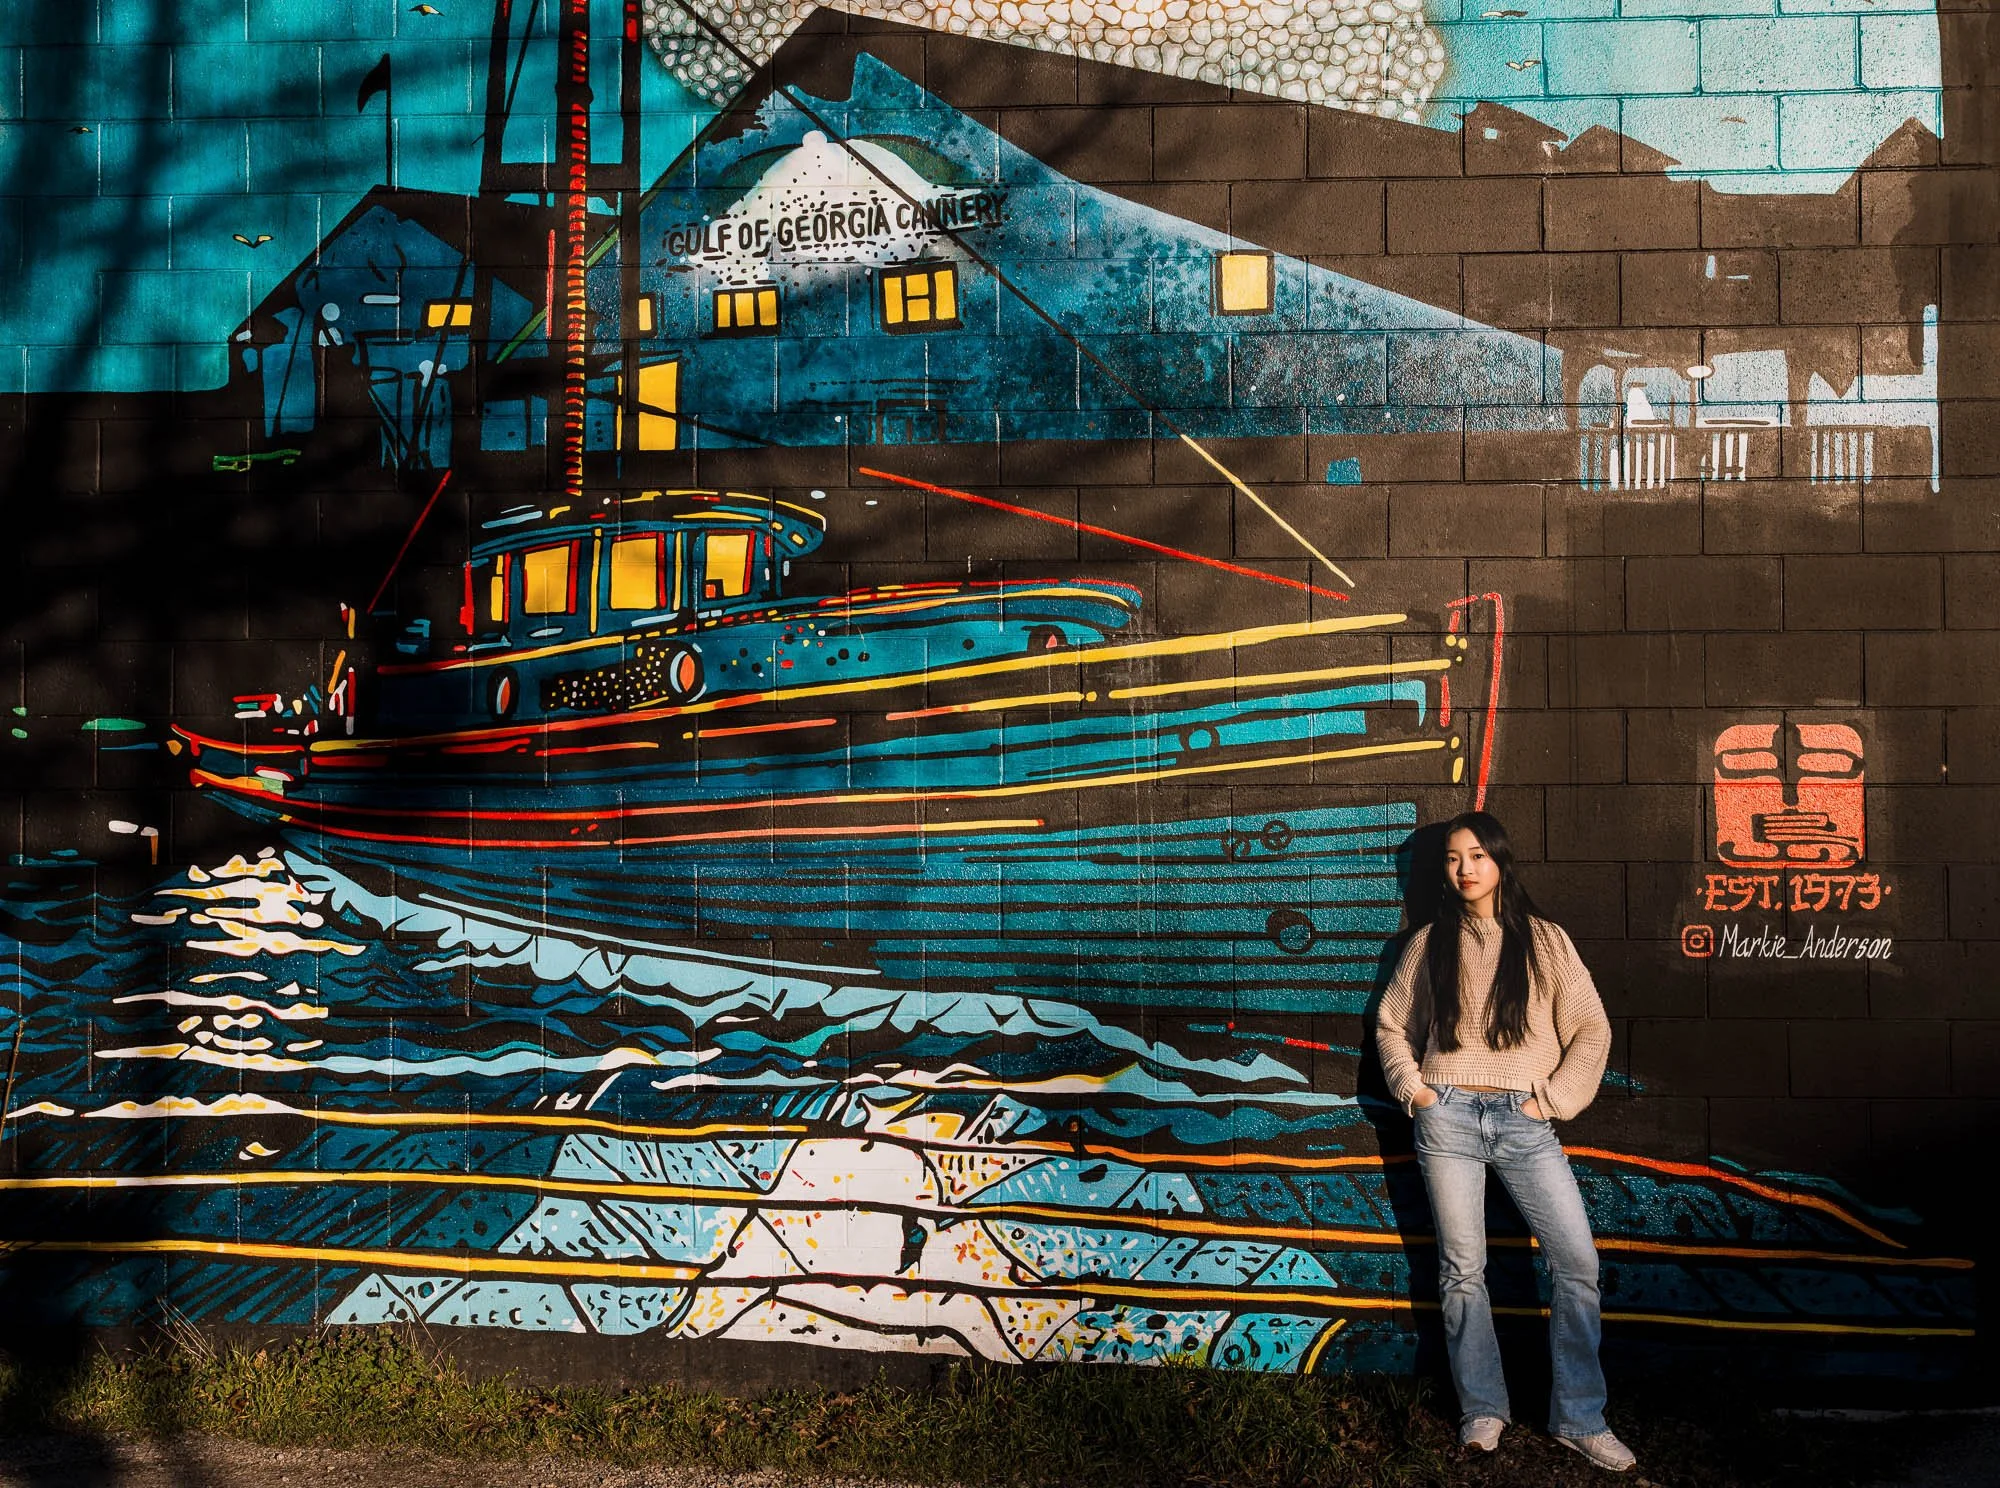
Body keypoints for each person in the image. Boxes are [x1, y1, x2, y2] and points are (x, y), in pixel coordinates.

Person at [1373, 811, 1635, 1474]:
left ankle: (1579, 1417)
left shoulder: (1544, 941)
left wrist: (1552, 1100)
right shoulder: (1428, 943)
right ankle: (1482, 1411)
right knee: (1464, 1271)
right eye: (1453, 859)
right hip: (1449, 1118)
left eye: (1477, 856)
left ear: (1499, 862)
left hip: (1525, 1122)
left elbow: (1592, 1030)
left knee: (1577, 1265)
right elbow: (1390, 1028)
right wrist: (1417, 1091)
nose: (1465, 869)